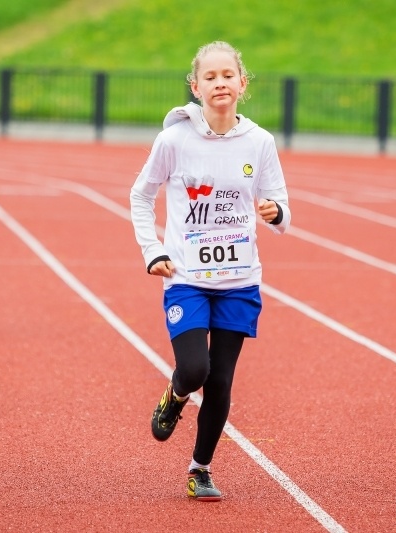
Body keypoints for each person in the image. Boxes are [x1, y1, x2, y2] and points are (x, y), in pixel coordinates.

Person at [130, 41, 291, 501]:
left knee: (221, 380)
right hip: (187, 279)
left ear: (243, 82)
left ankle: (199, 469)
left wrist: (275, 212)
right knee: (195, 369)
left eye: (228, 75)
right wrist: (151, 250)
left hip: (240, 281)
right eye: (210, 77)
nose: (220, 83)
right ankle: (175, 395)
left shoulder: (260, 142)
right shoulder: (174, 140)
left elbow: (284, 209)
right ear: (195, 86)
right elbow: (140, 195)